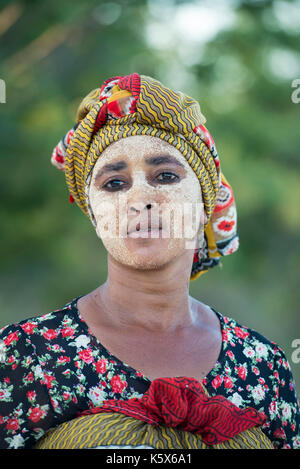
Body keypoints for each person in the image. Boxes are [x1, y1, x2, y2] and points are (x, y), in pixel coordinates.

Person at [0, 73, 299, 450]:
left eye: (166, 176)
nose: (140, 197)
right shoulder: (25, 355)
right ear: (93, 214)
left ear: (206, 204)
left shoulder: (263, 366)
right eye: (114, 183)